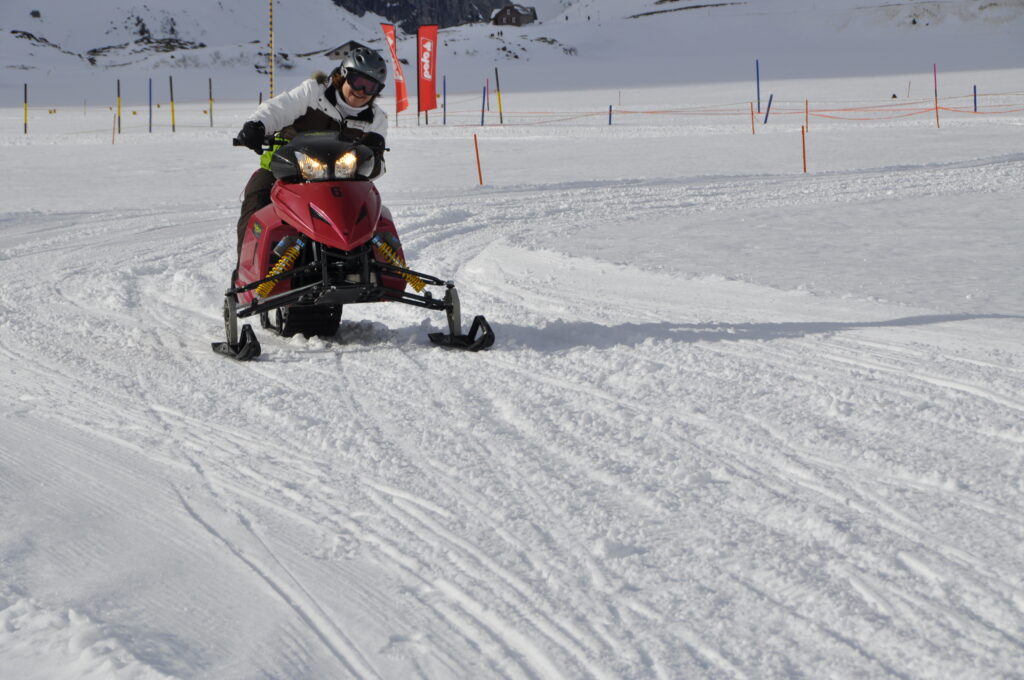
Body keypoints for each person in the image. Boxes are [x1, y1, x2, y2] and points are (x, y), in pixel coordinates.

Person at [233, 42, 389, 256]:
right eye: (357, 81)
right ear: (344, 74)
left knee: (374, 215)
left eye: (370, 87)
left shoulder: (376, 119)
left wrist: (374, 156)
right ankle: (246, 269)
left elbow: (377, 168)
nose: (361, 91)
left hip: (343, 181)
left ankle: (378, 269)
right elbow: (278, 109)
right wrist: (257, 126)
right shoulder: (313, 92)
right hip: (285, 171)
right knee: (257, 203)